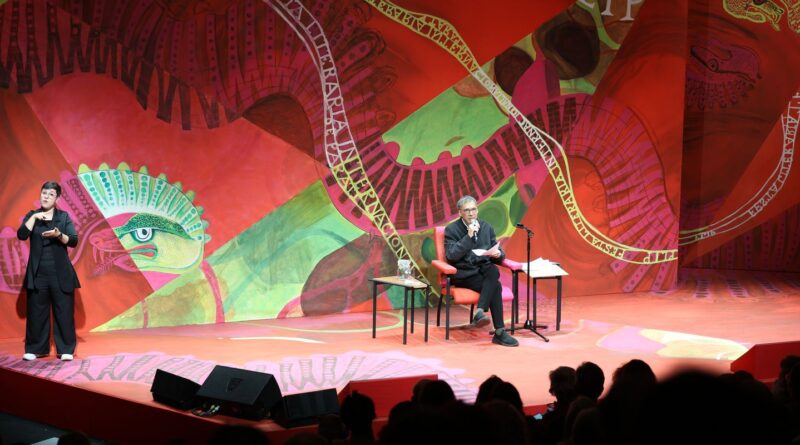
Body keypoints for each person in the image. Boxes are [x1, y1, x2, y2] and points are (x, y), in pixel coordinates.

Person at [17, 181, 80, 361]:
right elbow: (21, 235)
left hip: (60, 273)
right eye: (44, 193)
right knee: (37, 312)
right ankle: (36, 348)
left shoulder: (63, 217)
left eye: (51, 194)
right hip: (38, 273)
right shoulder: (32, 216)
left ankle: (66, 349)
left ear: (57, 198)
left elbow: (73, 240)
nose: (46, 196)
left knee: (64, 311)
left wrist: (58, 235)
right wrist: (35, 218)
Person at [444, 195, 518, 347]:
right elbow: (451, 255)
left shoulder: (486, 227)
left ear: (477, 210)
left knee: (493, 270)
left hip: (484, 269)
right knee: (495, 286)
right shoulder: (452, 229)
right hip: (465, 273)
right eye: (467, 210)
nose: (471, 213)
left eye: (473, 209)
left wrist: (499, 254)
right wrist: (468, 237)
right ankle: (499, 332)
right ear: (460, 213)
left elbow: (496, 249)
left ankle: (480, 312)